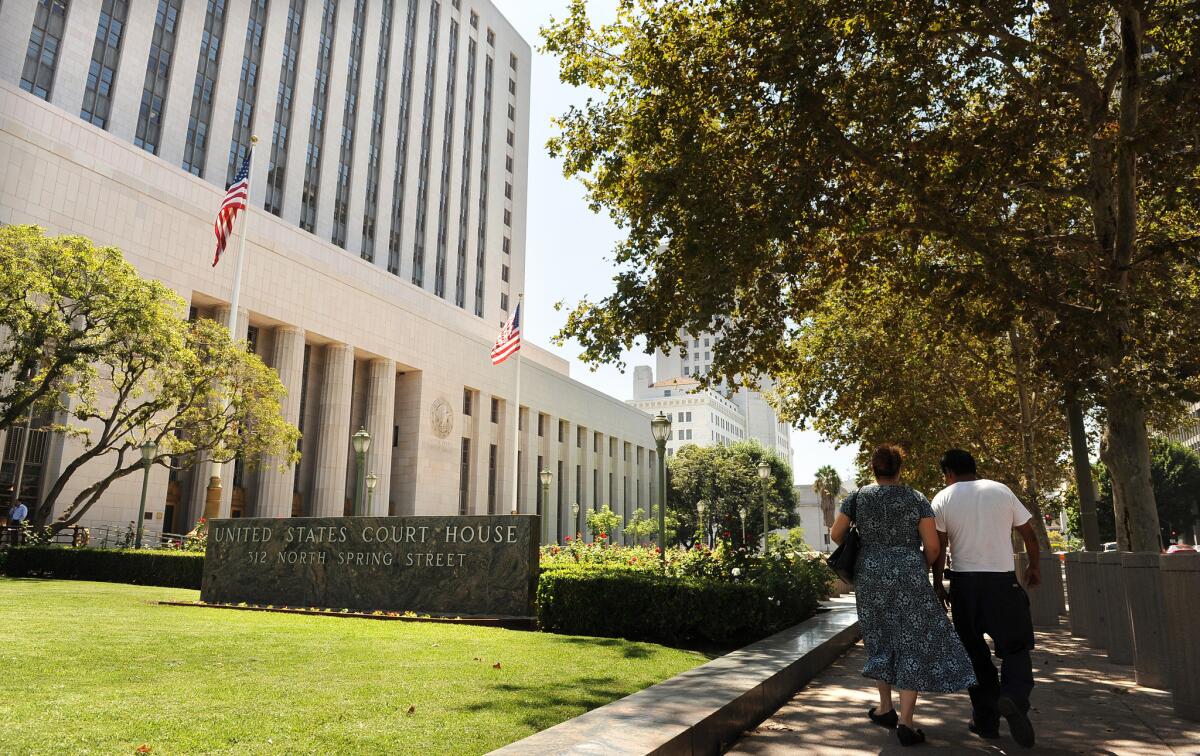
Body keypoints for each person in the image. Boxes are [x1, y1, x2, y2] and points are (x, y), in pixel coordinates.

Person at [831, 444, 975, 747]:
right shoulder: (916, 498)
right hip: (909, 573)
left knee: (878, 635)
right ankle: (906, 723)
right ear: (900, 469)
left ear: (874, 469)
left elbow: (835, 534)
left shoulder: (857, 497)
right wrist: (913, 567)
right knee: (912, 639)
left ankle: (885, 707)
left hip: (870, 575)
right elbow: (933, 547)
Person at [931, 449, 1040, 749]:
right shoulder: (1001, 491)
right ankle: (1014, 697)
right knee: (1016, 647)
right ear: (974, 468)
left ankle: (987, 722)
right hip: (1003, 584)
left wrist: (939, 583)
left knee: (974, 655)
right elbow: (1029, 534)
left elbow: (938, 547)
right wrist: (1034, 566)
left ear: (948, 473)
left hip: (965, 586)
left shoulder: (942, 498)